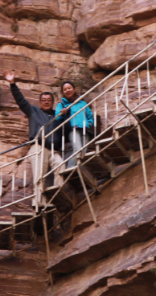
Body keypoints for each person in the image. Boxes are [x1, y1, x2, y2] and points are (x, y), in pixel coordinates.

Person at [5, 72, 68, 208]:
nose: (46, 101)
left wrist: (64, 115)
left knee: (61, 165)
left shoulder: (57, 116)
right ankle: (39, 202)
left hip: (54, 150)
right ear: (40, 102)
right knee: (39, 177)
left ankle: (57, 194)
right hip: (39, 147)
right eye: (43, 100)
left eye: (49, 100)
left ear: (52, 102)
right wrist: (12, 83)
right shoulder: (33, 111)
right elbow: (21, 101)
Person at [55, 81, 94, 167]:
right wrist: (63, 113)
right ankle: (69, 171)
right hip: (72, 129)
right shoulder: (61, 105)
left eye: (69, 88)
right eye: (65, 89)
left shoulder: (83, 103)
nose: (67, 90)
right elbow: (57, 117)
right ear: (63, 92)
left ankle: (72, 169)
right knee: (78, 151)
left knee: (82, 153)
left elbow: (90, 116)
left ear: (74, 89)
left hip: (85, 129)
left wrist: (89, 123)